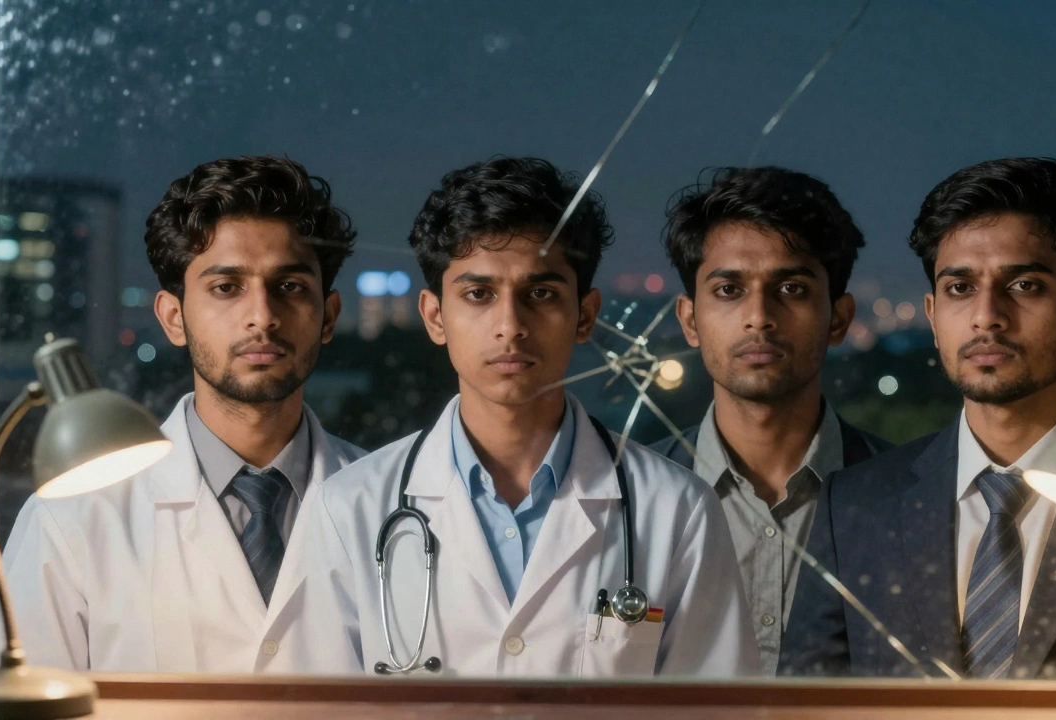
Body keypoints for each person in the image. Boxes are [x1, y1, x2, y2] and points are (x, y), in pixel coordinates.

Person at [265, 156, 759, 677]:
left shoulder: (677, 509)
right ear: (435, 316)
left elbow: (719, 710)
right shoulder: (349, 509)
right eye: (478, 294)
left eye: (540, 294)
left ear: (585, 315)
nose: (510, 325)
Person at [780, 157, 1056, 680]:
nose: (987, 315)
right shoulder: (854, 508)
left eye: (1025, 285)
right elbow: (803, 707)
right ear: (933, 318)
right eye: (960, 288)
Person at [2, 155, 366, 672]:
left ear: (327, 317)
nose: (262, 316)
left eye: (289, 287)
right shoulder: (73, 519)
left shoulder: (390, 507)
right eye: (226, 287)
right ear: (174, 318)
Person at [649, 166, 890, 674]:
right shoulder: (635, 500)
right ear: (690, 320)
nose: (759, 315)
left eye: (793, 289)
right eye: (729, 290)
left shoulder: (908, 500)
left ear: (839, 319)